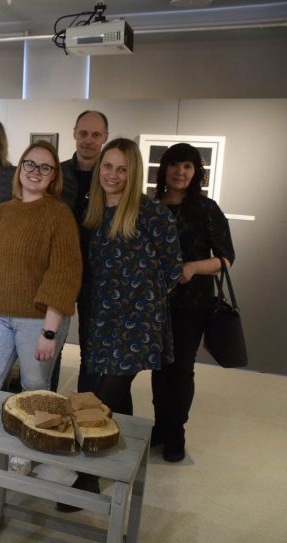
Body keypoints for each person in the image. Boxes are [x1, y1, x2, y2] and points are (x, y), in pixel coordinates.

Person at [0, 141, 82, 494]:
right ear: (20, 168)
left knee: (34, 390)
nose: (35, 171)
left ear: (54, 176)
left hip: (38, 320)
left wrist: (50, 332)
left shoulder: (59, 214)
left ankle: (25, 456)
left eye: (45, 167)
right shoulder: (1, 212)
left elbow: (64, 274)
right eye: (30, 163)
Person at [79, 138, 183, 414]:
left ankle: (109, 439)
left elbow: (173, 269)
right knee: (117, 394)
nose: (112, 175)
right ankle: (124, 440)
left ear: (133, 173)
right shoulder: (93, 212)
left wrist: (142, 299)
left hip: (136, 321)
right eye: (107, 166)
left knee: (104, 396)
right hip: (103, 317)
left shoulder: (152, 213)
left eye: (122, 169)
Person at [151, 143, 235, 463]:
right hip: (156, 303)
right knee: (159, 367)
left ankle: (176, 431)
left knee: (182, 369)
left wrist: (192, 267)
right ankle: (160, 426)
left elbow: (226, 259)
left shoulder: (206, 208)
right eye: (175, 165)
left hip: (193, 303)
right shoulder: (153, 206)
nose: (180, 172)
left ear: (195, 172)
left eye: (187, 166)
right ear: (165, 169)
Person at [51, 110, 109, 392]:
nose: (88, 140)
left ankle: (85, 410)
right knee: (51, 342)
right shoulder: (57, 174)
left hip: (97, 274)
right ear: (74, 133)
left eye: (95, 134)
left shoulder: (110, 177)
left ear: (105, 137)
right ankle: (44, 403)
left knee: (92, 349)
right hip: (59, 270)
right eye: (83, 133)